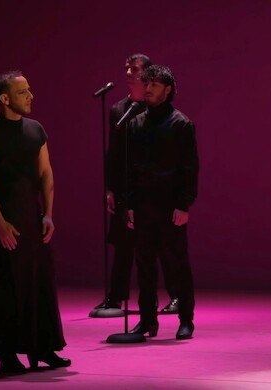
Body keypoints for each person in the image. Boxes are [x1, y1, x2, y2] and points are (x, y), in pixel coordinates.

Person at [0, 71, 69, 373]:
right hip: (5, 218)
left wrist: (48, 213)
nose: (31, 96)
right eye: (23, 92)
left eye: (29, 90)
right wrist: (0, 223)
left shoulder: (36, 129)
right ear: (5, 98)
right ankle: (7, 353)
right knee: (6, 284)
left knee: (39, 282)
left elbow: (45, 173)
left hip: (32, 215)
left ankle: (43, 348)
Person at [93, 54, 181, 316]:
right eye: (126, 68)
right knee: (123, 244)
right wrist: (110, 187)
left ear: (148, 75)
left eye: (135, 68)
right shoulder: (119, 110)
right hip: (125, 188)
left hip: (152, 188)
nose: (129, 72)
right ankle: (115, 298)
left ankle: (176, 296)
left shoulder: (157, 109)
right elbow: (114, 152)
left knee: (163, 245)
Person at [126, 65, 198, 339]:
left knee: (178, 263)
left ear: (168, 90)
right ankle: (147, 321)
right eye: (146, 84)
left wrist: (184, 204)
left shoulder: (181, 124)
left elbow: (190, 168)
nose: (147, 89)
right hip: (144, 204)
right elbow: (131, 168)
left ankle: (186, 320)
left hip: (170, 205)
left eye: (153, 85)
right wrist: (130, 204)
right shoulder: (135, 123)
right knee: (144, 264)